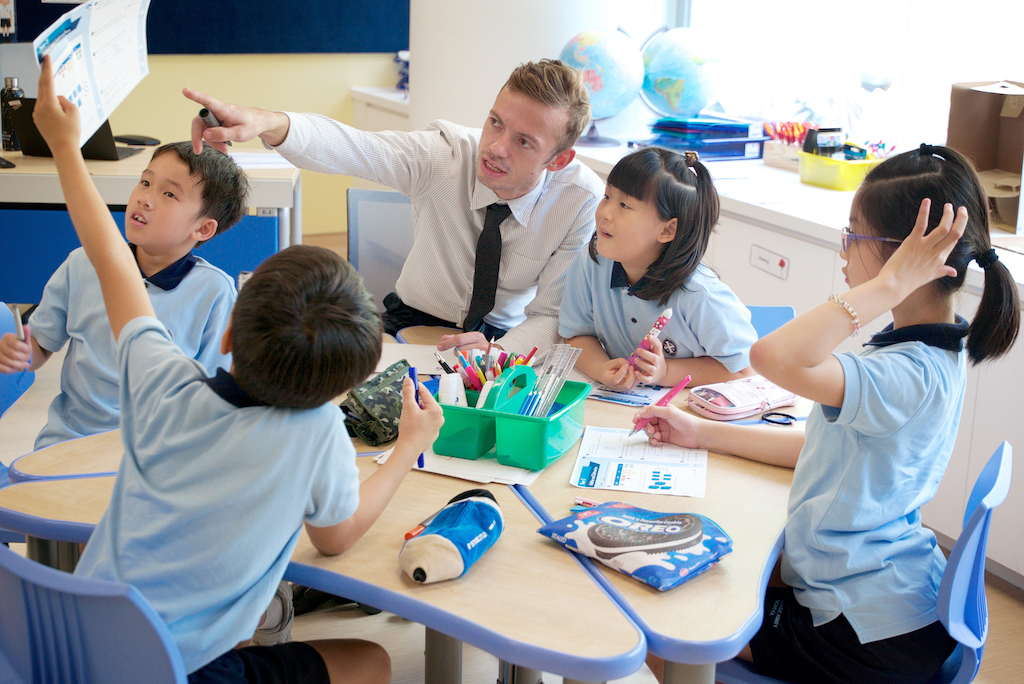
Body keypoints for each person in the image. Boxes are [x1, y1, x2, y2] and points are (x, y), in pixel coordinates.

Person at [32, 56, 444, 683]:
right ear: (338, 389)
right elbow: (336, 538)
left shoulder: (160, 384)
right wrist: (409, 446)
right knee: (372, 660)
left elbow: (107, 254)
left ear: (226, 333)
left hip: (74, 649)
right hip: (171, 672)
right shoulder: (318, 437)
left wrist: (65, 144)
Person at [636, 145, 1020, 684]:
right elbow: (822, 445)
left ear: (901, 256)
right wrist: (702, 433)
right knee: (726, 569)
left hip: (861, 632)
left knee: (671, 630)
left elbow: (768, 357)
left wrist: (884, 286)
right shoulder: (932, 348)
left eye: (853, 235)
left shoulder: (903, 375)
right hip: (892, 597)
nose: (844, 252)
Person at [182, 59, 604, 357]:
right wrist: (266, 122)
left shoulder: (581, 201)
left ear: (558, 160)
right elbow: (353, 147)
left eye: (524, 141)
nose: (496, 147)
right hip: (408, 321)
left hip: (502, 338)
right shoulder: (447, 156)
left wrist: (501, 353)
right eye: (495, 122)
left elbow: (550, 313)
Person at [0, 140, 246, 450]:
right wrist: (22, 353)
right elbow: (40, 346)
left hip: (156, 453)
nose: (145, 198)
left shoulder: (215, 293)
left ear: (203, 229)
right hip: (69, 443)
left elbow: (213, 398)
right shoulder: (83, 264)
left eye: (169, 194)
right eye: (145, 182)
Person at [559, 147, 757, 390]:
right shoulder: (592, 262)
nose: (605, 213)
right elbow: (575, 336)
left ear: (667, 231)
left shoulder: (701, 296)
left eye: (624, 205)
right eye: (607, 196)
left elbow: (747, 371)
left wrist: (666, 372)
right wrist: (602, 370)